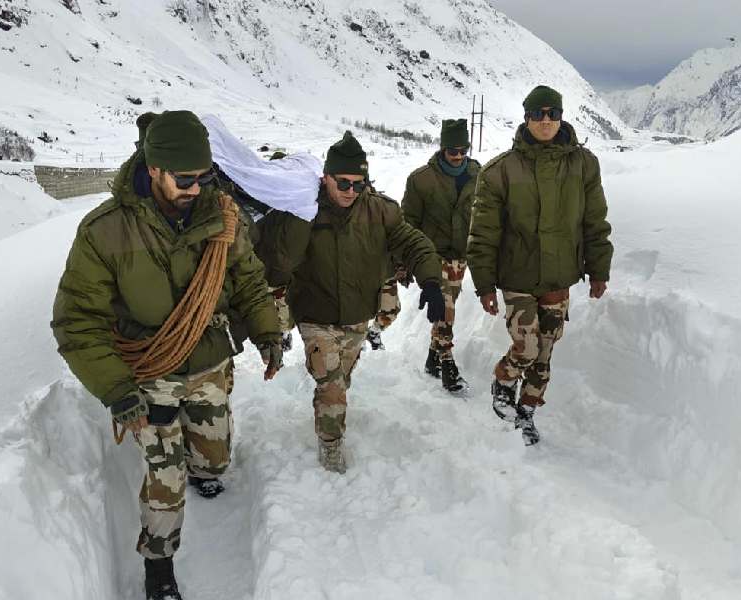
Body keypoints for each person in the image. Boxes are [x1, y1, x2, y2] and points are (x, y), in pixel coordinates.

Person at [51, 110, 282, 600]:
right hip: (149, 371)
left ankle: (207, 470)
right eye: (184, 179)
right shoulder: (105, 232)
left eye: (205, 177)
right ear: (153, 169)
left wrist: (267, 331)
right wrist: (116, 390)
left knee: (213, 459)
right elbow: (77, 322)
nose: (196, 189)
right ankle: (159, 563)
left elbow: (249, 281)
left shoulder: (223, 218)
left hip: (210, 363)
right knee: (166, 474)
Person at [267, 131, 445, 473]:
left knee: (341, 379)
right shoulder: (304, 209)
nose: (351, 191)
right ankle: (330, 444)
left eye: (358, 184)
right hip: (314, 315)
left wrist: (432, 282)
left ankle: (329, 405)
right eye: (343, 183)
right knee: (331, 385)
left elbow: (414, 243)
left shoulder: (380, 211)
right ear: (326, 177)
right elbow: (275, 257)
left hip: (357, 315)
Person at [467, 86, 613, 446]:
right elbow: (482, 234)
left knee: (546, 351)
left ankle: (527, 410)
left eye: (552, 113)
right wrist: (484, 285)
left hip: (559, 274)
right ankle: (503, 382)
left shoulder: (584, 164)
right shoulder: (500, 171)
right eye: (537, 114)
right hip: (517, 275)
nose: (545, 120)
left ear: (561, 116)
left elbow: (595, 220)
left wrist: (599, 269)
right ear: (526, 117)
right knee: (526, 347)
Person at [401, 118, 480, 393]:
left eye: (463, 150)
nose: (458, 156)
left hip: (461, 257)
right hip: (431, 256)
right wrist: (404, 262)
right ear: (442, 148)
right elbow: (407, 224)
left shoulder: (478, 175)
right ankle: (448, 364)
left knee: (447, 308)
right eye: (452, 151)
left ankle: (432, 359)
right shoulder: (421, 179)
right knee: (445, 309)